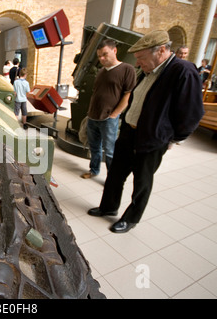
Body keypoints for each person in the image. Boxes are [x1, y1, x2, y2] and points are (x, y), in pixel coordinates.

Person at [87, 30, 204, 233]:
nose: (138, 63)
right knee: (115, 173)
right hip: (129, 133)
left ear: (160, 51)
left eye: (141, 58)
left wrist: (172, 138)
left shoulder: (183, 71)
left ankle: (131, 218)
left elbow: (192, 112)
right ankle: (108, 207)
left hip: (152, 138)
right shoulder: (147, 72)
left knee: (142, 180)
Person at [81, 39, 136, 179]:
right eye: (99, 56)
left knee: (110, 151)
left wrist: (114, 115)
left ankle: (112, 178)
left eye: (105, 54)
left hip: (108, 118)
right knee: (94, 147)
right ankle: (94, 170)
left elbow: (128, 95)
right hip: (93, 116)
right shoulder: (100, 71)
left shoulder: (127, 69)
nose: (102, 58)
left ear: (115, 50)